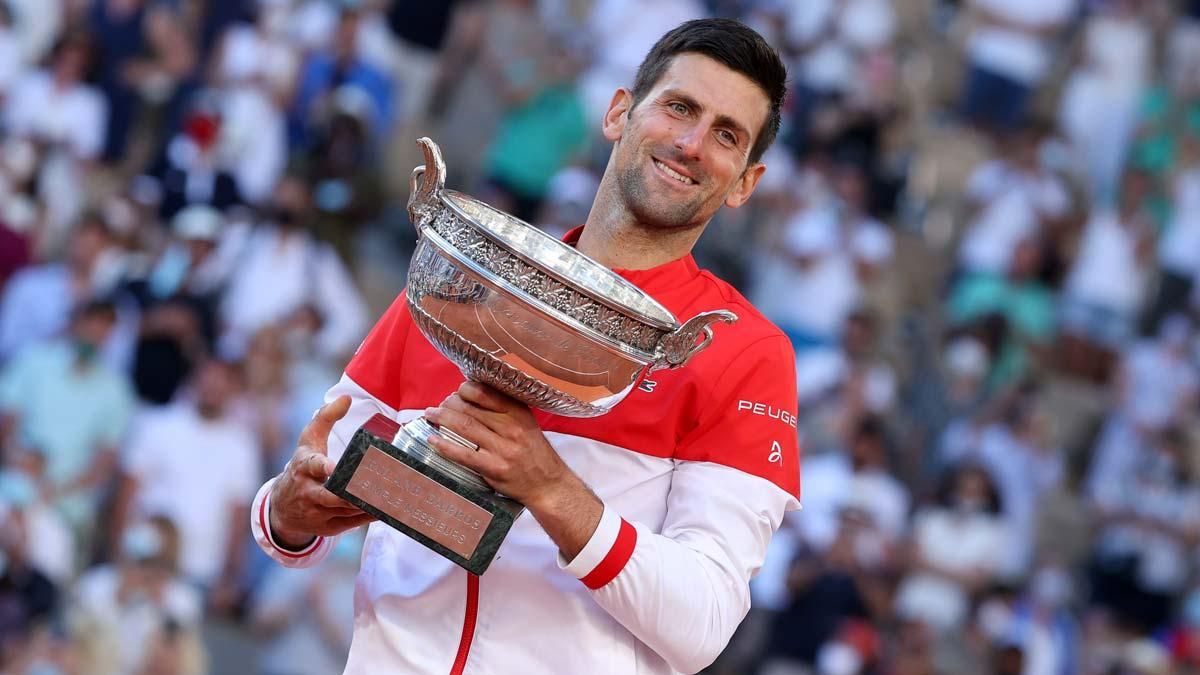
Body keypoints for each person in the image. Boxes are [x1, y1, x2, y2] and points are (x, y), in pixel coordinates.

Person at [251, 18, 800, 675]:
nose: (690, 143)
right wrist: (287, 513)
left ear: (745, 182)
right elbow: (312, 488)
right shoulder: (466, 271)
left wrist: (551, 488)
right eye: (679, 107)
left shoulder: (742, 352)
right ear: (620, 112)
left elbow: (702, 621)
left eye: (725, 135)